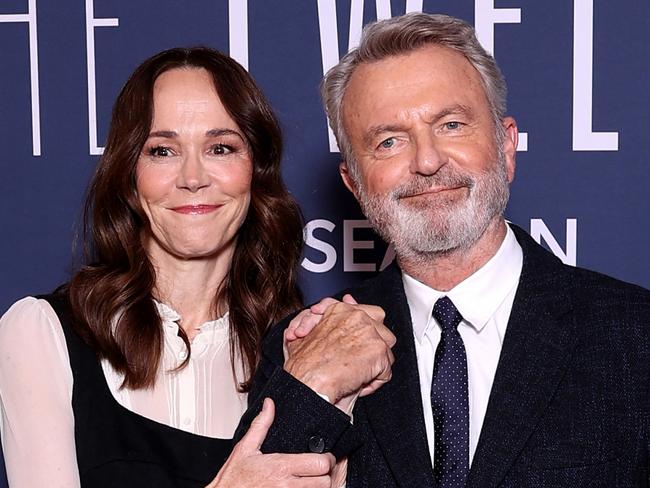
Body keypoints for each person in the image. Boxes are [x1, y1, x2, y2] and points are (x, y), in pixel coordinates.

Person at [238, 12, 650, 487]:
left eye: (451, 125)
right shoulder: (302, 346)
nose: (427, 161)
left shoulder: (634, 337)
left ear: (507, 146)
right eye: (389, 141)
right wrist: (313, 386)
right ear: (353, 183)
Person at [0, 46, 391, 487]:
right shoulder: (42, 334)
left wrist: (334, 411)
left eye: (220, 147)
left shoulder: (291, 352)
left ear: (255, 170)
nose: (192, 177)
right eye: (162, 151)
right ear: (129, 173)